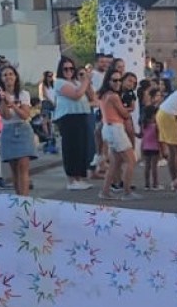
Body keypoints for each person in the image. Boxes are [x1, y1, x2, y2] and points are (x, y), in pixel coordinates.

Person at [53, 56, 94, 191]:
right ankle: (71, 179)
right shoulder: (59, 82)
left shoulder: (77, 82)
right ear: (61, 70)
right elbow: (76, 95)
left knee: (82, 147)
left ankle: (79, 177)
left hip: (81, 115)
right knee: (71, 148)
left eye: (71, 68)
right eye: (66, 69)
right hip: (68, 117)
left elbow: (91, 96)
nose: (69, 71)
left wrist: (85, 81)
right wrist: (85, 82)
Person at [97, 69, 139, 200]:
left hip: (109, 128)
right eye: (114, 80)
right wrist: (130, 108)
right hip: (115, 129)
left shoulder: (104, 95)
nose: (117, 83)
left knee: (115, 163)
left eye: (119, 80)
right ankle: (126, 192)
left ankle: (105, 191)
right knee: (131, 160)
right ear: (108, 81)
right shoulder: (114, 96)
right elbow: (125, 114)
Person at [0, 63, 37, 196]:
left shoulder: (23, 94)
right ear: (1, 78)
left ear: (16, 77)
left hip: (22, 129)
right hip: (8, 130)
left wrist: (12, 104)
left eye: (11, 74)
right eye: (5, 75)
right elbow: (6, 116)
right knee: (14, 168)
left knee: (23, 165)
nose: (8, 77)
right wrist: (3, 100)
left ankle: (25, 199)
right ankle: (18, 198)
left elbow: (25, 115)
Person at [139, 104, 162, 190]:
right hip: (155, 147)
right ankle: (155, 184)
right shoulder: (155, 126)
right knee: (154, 167)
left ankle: (147, 184)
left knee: (147, 166)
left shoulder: (144, 124)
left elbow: (141, 135)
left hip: (145, 147)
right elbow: (158, 137)